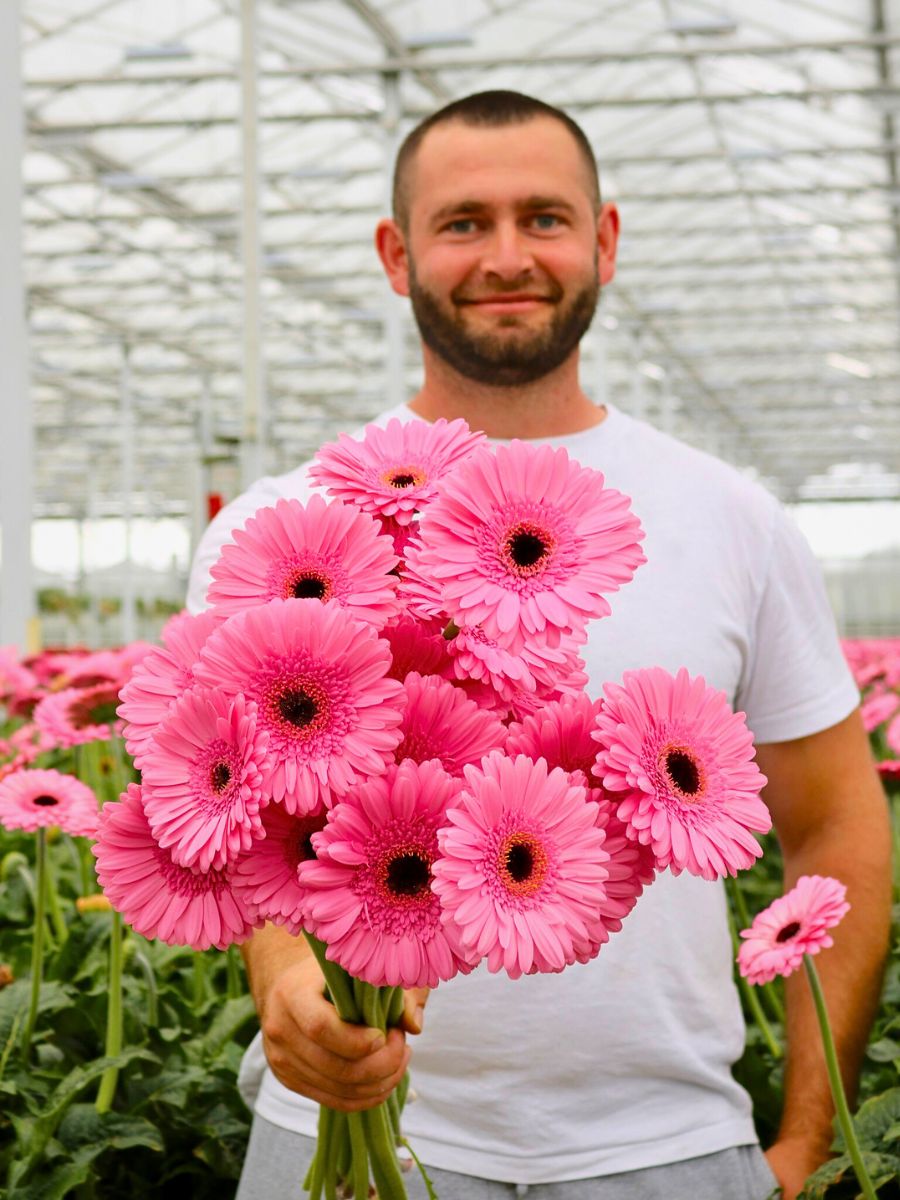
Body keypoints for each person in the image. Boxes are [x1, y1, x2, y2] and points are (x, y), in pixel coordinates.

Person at [187, 91, 892, 1200]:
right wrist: (285, 979)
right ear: (395, 252)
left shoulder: (730, 518)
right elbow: (235, 823)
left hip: (663, 1148)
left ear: (604, 241)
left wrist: (805, 1139)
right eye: (464, 222)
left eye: (546, 219)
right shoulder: (276, 532)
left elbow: (839, 825)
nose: (507, 256)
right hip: (344, 1143)